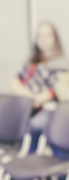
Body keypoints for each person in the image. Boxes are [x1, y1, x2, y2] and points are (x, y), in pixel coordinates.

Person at [10, 22, 63, 151]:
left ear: (54, 38)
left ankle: (30, 155)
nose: (42, 39)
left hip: (45, 108)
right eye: (39, 36)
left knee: (33, 125)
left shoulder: (59, 62)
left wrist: (35, 99)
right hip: (24, 102)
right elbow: (15, 81)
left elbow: (55, 89)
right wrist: (28, 96)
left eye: (46, 35)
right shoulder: (31, 61)